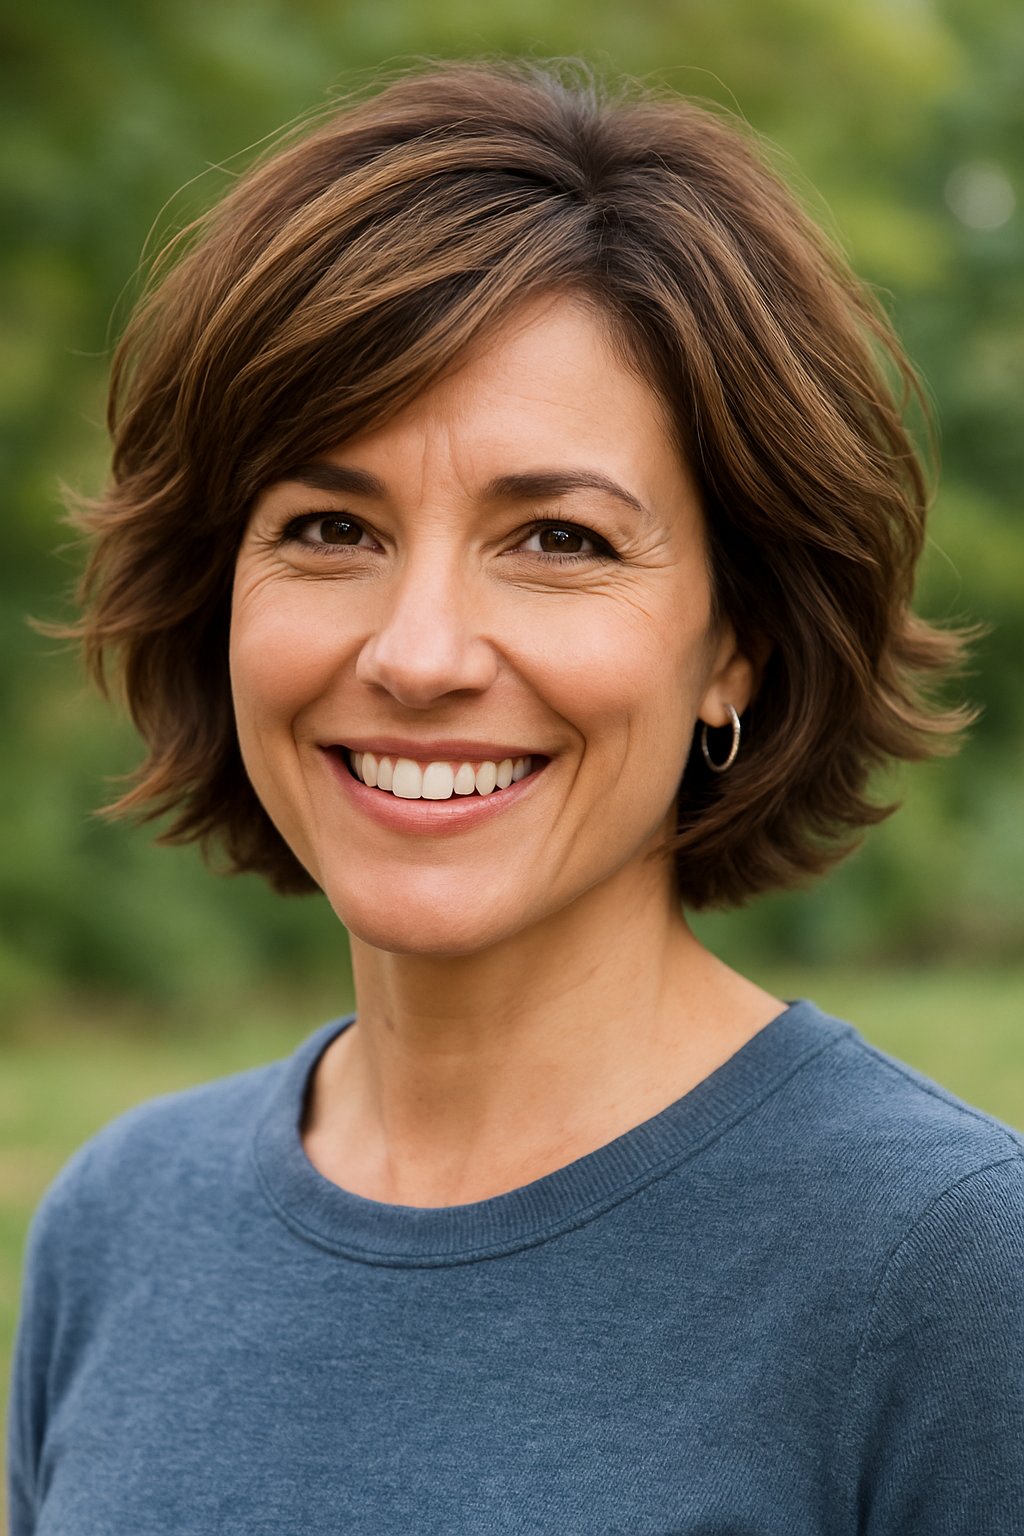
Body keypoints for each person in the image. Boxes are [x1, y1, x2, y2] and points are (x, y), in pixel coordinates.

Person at [7, 58, 1023, 1536]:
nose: (418, 655)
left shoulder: (946, 1268)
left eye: (557, 538)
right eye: (330, 526)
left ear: (735, 639)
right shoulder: (120, 1222)